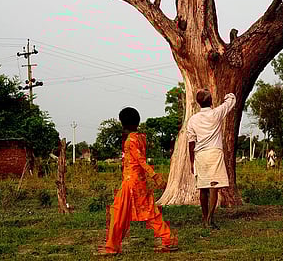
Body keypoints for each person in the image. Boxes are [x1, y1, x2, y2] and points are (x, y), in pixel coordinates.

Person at [99, 107, 177, 254]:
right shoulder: (141, 137)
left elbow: (140, 161)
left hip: (131, 183)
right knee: (150, 212)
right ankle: (168, 239)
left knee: (117, 213)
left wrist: (155, 176)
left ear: (123, 123)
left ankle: (112, 247)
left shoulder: (131, 140)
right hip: (139, 182)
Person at [187, 89, 236, 229]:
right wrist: (227, 94)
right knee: (214, 187)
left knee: (203, 188)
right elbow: (231, 100)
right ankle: (210, 219)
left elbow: (191, 142)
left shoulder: (193, 120)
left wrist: (192, 161)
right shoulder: (216, 113)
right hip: (214, 153)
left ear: (198, 103)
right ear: (211, 101)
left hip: (200, 155)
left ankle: (204, 218)